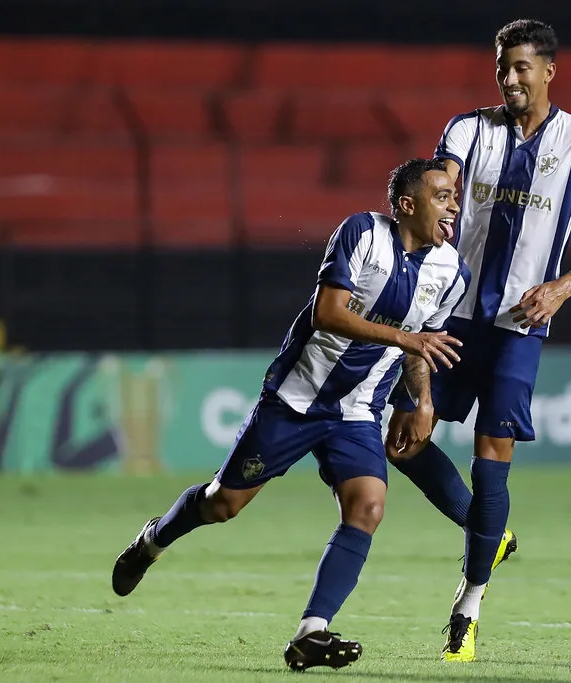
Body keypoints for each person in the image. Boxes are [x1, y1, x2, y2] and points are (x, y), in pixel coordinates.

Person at [110, 158, 471, 672]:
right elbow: (329, 313)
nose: (453, 203)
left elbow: (421, 348)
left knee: (367, 507)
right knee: (223, 504)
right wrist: (403, 337)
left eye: (455, 195)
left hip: (357, 409)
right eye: (441, 195)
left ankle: (312, 632)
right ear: (407, 205)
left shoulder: (452, 271)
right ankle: (152, 540)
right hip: (297, 399)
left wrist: (423, 402)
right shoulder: (362, 234)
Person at [383, 18, 571, 662]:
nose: (510, 78)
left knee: (492, 460)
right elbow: (445, 186)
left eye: (522, 67)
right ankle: (488, 532)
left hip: (521, 326)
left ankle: (468, 604)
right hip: (454, 316)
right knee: (403, 442)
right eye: (502, 66)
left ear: (550, 70)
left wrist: (561, 289)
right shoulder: (467, 131)